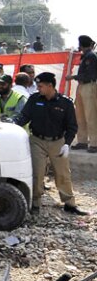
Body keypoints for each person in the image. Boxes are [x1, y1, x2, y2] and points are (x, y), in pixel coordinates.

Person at [14, 72, 88, 216]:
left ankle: (69, 204)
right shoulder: (34, 99)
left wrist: (67, 143)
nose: (38, 88)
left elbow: (72, 126)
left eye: (40, 86)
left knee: (63, 174)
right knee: (37, 173)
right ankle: (35, 203)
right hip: (37, 141)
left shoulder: (65, 103)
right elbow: (24, 117)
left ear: (50, 86)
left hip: (58, 142)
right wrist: (13, 124)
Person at [67, 35, 97, 153]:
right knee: (80, 115)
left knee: (91, 115)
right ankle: (82, 141)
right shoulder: (86, 56)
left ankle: (94, 142)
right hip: (82, 86)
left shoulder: (91, 56)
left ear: (81, 45)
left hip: (89, 85)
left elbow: (89, 75)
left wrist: (73, 77)